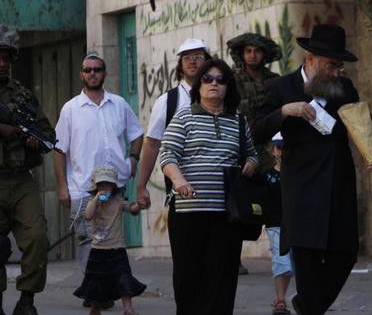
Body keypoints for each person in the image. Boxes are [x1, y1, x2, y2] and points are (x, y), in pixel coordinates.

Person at [253, 23, 372, 315]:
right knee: (309, 259)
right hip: (300, 188)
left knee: (344, 256)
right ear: (310, 59)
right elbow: (257, 128)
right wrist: (286, 111)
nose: (336, 71)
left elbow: (365, 122)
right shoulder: (281, 87)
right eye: (331, 65)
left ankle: (306, 303)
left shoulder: (343, 87)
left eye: (339, 66)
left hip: (339, 184)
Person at [159, 58, 258, 315]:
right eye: (208, 79)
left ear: (229, 86)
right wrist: (179, 182)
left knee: (223, 272)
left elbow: (251, 153)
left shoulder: (238, 120)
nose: (214, 83)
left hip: (227, 212)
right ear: (199, 85)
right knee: (190, 272)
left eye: (221, 79)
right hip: (189, 210)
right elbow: (167, 156)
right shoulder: (184, 117)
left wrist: (250, 164)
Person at [54, 53, 145, 284]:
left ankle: (101, 288)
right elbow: (59, 149)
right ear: (82, 75)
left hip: (116, 187)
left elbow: (137, 134)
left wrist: (133, 159)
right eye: (88, 70)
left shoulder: (119, 104)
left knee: (111, 240)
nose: (93, 73)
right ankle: (95, 289)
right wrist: (63, 188)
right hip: (83, 187)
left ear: (105, 73)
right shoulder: (70, 109)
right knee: (88, 239)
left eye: (97, 69)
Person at [0, 25, 52, 315]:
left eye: (7, 58)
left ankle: (26, 302)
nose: (2, 63)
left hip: (20, 180)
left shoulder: (21, 95)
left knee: (38, 239)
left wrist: (36, 141)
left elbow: (47, 133)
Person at [227, 32, 282, 275]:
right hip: (243, 148)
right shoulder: (233, 80)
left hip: (272, 149)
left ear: (265, 55)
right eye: (248, 51)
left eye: (257, 51)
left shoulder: (276, 80)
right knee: (240, 203)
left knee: (276, 201)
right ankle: (234, 258)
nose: (252, 55)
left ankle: (282, 254)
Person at [136, 38, 212, 211]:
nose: (192, 60)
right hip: (181, 196)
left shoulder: (223, 99)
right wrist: (141, 186)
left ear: (208, 62)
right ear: (180, 64)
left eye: (198, 56)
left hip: (219, 196)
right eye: (187, 57)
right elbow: (153, 144)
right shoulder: (167, 101)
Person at [73, 165, 147, 315]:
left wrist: (138, 205)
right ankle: (95, 310)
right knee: (95, 282)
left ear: (114, 186)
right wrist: (97, 197)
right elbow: (87, 215)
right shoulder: (95, 203)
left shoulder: (119, 202)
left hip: (117, 249)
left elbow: (131, 208)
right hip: (98, 250)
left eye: (107, 184)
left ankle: (128, 309)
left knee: (124, 279)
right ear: (95, 186)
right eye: (100, 185)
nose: (104, 187)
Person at [261, 132, 294, 315]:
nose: (282, 152)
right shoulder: (268, 177)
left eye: (286, 148)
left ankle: (279, 297)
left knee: (292, 263)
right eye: (279, 148)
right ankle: (280, 300)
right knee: (281, 260)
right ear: (273, 151)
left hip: (296, 224)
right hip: (275, 224)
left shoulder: (299, 175)